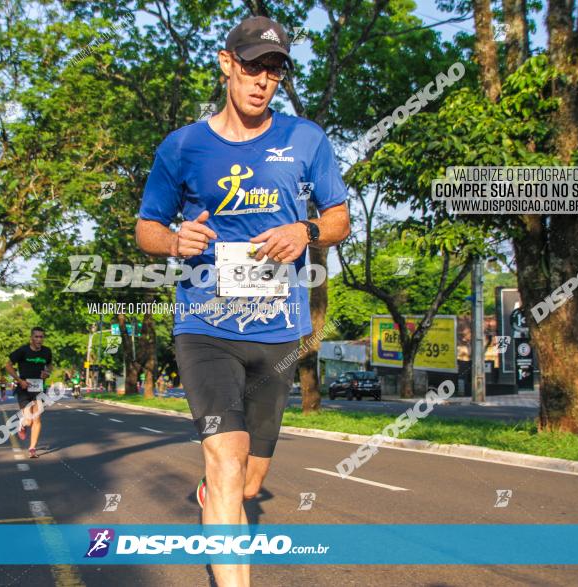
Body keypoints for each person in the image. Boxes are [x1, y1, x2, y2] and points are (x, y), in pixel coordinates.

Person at [135, 15, 350, 586]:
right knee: (225, 458)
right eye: (253, 65)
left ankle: (218, 493)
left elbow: (338, 218)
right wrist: (175, 240)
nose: (263, 80)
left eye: (274, 70)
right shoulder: (181, 146)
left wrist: (305, 232)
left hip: (278, 332)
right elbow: (147, 229)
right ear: (227, 63)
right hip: (204, 324)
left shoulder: (306, 139)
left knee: (249, 479)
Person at [5, 327, 53, 458]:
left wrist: (47, 373)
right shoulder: (23, 351)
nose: (39, 339)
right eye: (36, 337)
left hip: (39, 389)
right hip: (24, 389)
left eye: (41, 337)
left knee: (37, 418)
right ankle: (22, 424)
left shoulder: (47, 351)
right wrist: (20, 380)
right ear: (31, 338)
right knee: (29, 421)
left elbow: (50, 365)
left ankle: (32, 448)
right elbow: (8, 365)